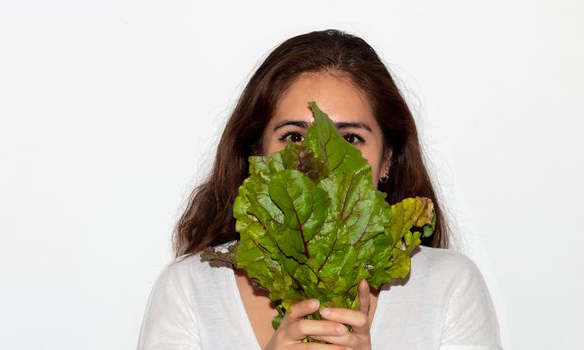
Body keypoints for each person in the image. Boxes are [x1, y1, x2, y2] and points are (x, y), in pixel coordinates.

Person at [136, 29, 502, 350]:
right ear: (256, 151)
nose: (319, 161)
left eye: (350, 138)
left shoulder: (448, 286)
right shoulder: (189, 290)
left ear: (387, 159)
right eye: (293, 136)